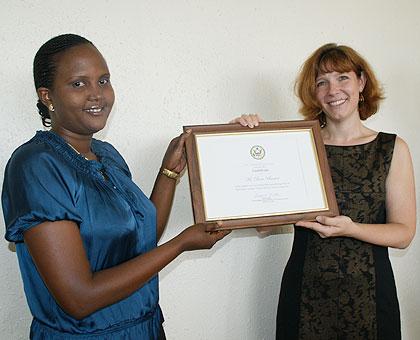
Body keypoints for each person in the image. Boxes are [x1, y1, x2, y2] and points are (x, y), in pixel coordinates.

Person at [1, 33, 230, 339]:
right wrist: (181, 244)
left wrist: (168, 173)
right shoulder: (35, 166)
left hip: (144, 327)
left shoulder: (107, 156)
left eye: (103, 80)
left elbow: (140, 239)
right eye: (78, 83)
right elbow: (79, 299)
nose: (97, 94)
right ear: (47, 96)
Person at [232, 43, 416, 339]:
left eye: (342, 77)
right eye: (322, 82)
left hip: (370, 296)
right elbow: (263, 225)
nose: (333, 90)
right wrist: (241, 145)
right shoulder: (294, 145)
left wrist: (351, 228)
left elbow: (403, 233)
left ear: (361, 82)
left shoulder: (392, 148)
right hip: (304, 292)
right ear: (314, 93)